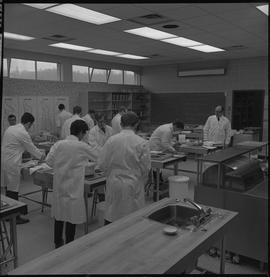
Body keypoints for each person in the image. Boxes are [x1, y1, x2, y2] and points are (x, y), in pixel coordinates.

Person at [45, 120, 97, 249]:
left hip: (60, 185)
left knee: (59, 215)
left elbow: (49, 161)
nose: (85, 136)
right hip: (73, 187)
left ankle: (57, 242)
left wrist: (61, 166)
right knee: (71, 217)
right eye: (85, 133)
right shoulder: (81, 146)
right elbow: (98, 157)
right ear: (80, 132)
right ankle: (69, 245)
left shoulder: (58, 144)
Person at [98, 111, 151, 225]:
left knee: (113, 213)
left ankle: (111, 240)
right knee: (133, 216)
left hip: (114, 181)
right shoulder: (142, 142)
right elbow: (146, 168)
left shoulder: (112, 140)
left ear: (121, 124)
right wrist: (142, 179)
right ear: (136, 124)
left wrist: (111, 173)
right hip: (134, 182)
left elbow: (102, 163)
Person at [1, 112, 45, 224]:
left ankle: (8, 213)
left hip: (5, 161)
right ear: (29, 123)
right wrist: (42, 157)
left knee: (8, 187)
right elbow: (32, 148)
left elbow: (20, 145)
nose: (30, 127)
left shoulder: (11, 128)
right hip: (12, 163)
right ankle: (14, 217)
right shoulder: (22, 132)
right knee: (13, 189)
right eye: (31, 125)